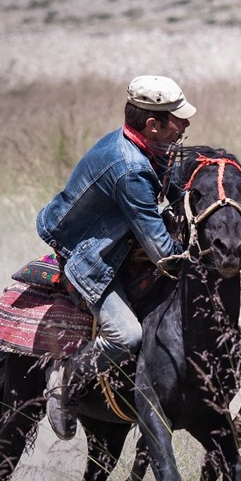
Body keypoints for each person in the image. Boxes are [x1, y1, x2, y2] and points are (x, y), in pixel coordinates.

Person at [36, 75, 196, 440]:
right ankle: (65, 379)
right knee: (126, 336)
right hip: (90, 256)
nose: (185, 124)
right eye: (177, 119)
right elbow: (162, 252)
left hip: (114, 239)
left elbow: (175, 189)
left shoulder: (145, 146)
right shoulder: (131, 167)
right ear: (152, 125)